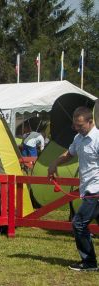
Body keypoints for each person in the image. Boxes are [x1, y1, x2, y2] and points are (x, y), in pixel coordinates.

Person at [48, 106, 99, 272]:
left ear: (91, 122)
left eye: (80, 125)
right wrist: (54, 163)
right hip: (88, 189)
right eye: (75, 125)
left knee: (78, 224)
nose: (77, 128)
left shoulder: (98, 139)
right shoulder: (78, 138)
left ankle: (89, 262)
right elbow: (69, 154)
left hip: (96, 190)